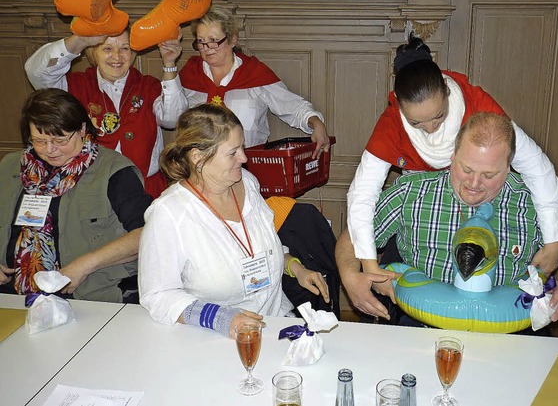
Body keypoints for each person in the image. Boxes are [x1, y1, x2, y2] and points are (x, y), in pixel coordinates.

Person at [337, 112, 558, 323]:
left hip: (507, 332)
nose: (474, 183)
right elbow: (354, 234)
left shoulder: (535, 203)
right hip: (422, 328)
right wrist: (350, 275)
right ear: (452, 155)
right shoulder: (413, 191)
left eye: (489, 175)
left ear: (509, 168)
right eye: (466, 168)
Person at [349, 36, 558, 279]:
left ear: (447, 91)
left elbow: (537, 167)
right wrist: (369, 263)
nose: (430, 128)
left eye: (438, 116)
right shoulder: (391, 125)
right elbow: (362, 195)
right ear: (399, 107)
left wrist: (553, 240)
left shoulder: (478, 108)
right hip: (421, 215)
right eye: (416, 123)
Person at [138, 104, 330, 337]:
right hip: (213, 338)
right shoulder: (168, 214)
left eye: (242, 147)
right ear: (198, 158)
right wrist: (221, 318)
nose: (244, 157)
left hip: (274, 326)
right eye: (233, 152)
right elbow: (158, 295)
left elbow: (260, 245)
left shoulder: (247, 182)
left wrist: (295, 268)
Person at [0, 89, 153, 302]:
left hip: (90, 296)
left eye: (60, 140)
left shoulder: (113, 170)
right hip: (12, 296)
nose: (50, 150)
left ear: (81, 129)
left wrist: (86, 264)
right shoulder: (10, 167)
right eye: (39, 141)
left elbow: (147, 234)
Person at [24, 28, 188, 198]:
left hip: (145, 187)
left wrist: (169, 64)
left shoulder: (148, 86)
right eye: (107, 49)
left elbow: (172, 119)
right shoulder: (74, 85)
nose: (117, 57)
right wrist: (79, 39)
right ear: (93, 52)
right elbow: (36, 73)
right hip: (90, 188)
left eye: (125, 48)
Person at [178, 5, 331, 158]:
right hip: (199, 168)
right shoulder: (190, 75)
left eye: (213, 40)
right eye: (201, 41)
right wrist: (169, 67)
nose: (206, 48)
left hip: (245, 166)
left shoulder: (254, 73)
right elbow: (168, 118)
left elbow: (291, 105)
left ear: (232, 40)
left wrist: (315, 122)